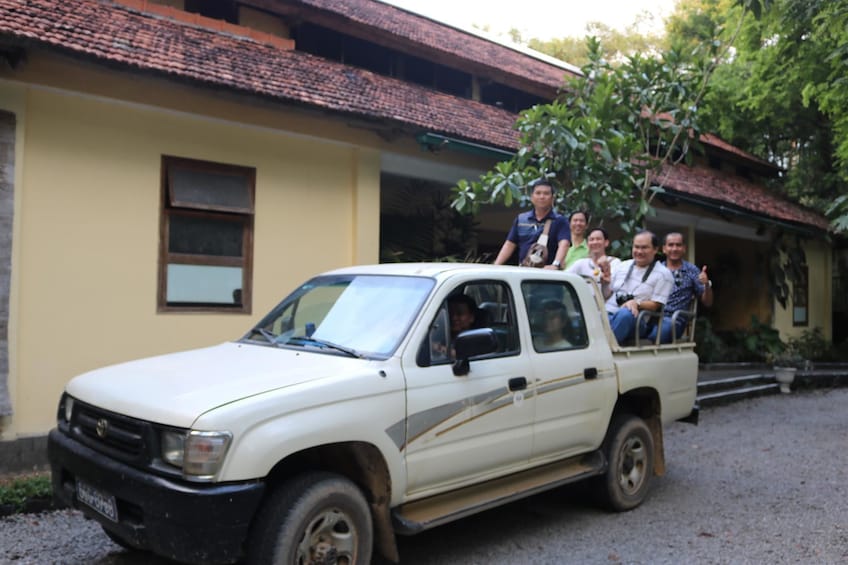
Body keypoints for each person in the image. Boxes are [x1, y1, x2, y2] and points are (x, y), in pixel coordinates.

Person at [602, 230, 673, 344]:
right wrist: (605, 284)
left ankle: (604, 350)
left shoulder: (663, 274)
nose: (639, 251)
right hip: (608, 313)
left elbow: (656, 305)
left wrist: (636, 303)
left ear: (655, 249)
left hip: (635, 319)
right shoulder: (622, 265)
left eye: (644, 248)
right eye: (636, 247)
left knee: (625, 314)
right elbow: (607, 294)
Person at [645, 232, 713, 343]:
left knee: (657, 334)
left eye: (678, 245)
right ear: (664, 249)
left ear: (684, 248)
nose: (674, 248)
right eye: (671, 245)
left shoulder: (692, 270)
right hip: (650, 316)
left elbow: (708, 302)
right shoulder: (655, 269)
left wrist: (706, 284)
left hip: (674, 320)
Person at [493, 179, 570, 269]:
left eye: (546, 193)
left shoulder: (560, 221)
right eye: (538, 193)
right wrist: (496, 266)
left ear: (552, 198)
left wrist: (555, 265)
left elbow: (564, 244)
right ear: (531, 197)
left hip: (547, 273)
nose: (542, 197)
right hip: (524, 271)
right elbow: (509, 244)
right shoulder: (521, 219)